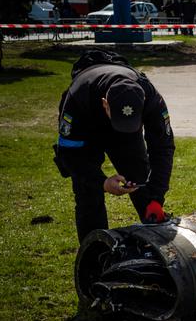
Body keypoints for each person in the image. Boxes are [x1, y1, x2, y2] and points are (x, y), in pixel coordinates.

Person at [54, 50, 175, 242]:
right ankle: (94, 257)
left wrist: (156, 196)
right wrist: (100, 182)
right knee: (88, 196)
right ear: (105, 104)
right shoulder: (77, 98)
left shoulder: (152, 98)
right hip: (87, 129)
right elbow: (70, 155)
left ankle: (158, 246)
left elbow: (163, 148)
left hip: (127, 139)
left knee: (141, 183)